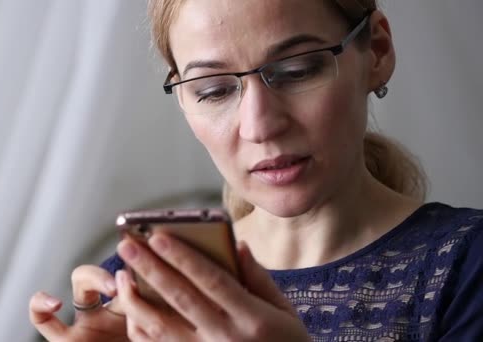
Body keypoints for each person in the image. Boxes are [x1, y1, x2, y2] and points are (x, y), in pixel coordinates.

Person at [29, 0, 483, 340]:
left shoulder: (467, 268)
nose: (259, 125)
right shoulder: (143, 286)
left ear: (377, 53)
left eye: (297, 70)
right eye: (212, 90)